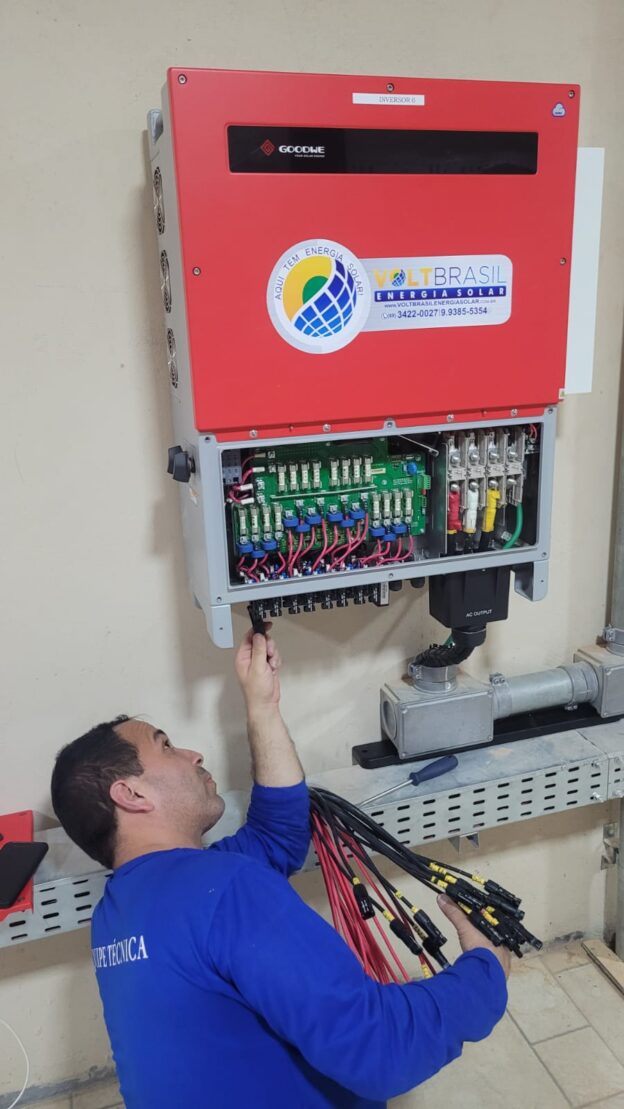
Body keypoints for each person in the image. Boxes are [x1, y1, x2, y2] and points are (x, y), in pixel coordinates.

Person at [50, 627, 509, 1109]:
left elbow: (278, 836)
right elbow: (381, 1049)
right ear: (131, 794)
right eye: (166, 747)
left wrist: (263, 706)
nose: (193, 754)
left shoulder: (118, 914)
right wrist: (484, 973)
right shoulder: (224, 889)